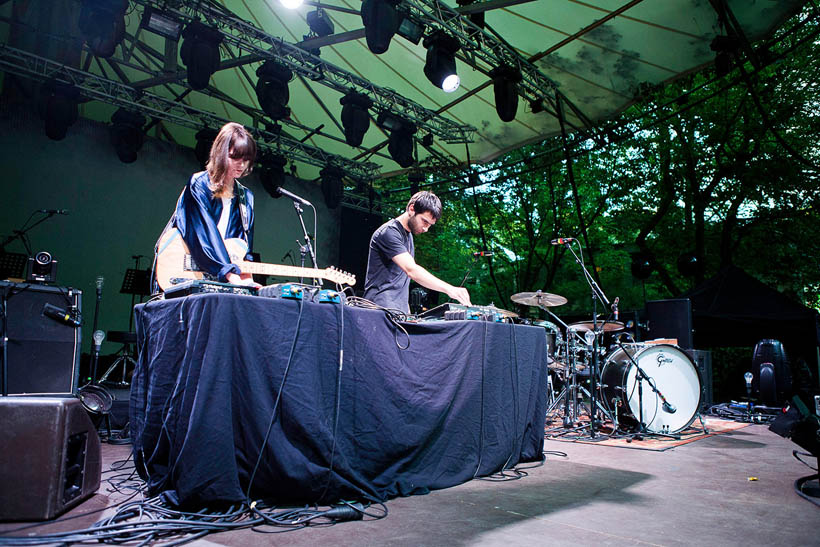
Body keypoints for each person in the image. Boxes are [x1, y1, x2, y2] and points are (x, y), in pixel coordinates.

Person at [173, 122, 259, 287]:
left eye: (246, 159)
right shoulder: (199, 183)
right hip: (191, 270)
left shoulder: (246, 196)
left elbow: (244, 246)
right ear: (221, 153)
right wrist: (229, 273)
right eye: (235, 157)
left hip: (226, 277)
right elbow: (203, 233)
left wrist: (247, 278)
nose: (241, 164)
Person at [363, 190, 471, 313]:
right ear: (412, 209)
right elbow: (412, 270)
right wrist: (450, 289)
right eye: (424, 221)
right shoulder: (389, 232)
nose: (426, 228)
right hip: (378, 309)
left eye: (430, 225)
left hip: (397, 311)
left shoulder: (408, 236)